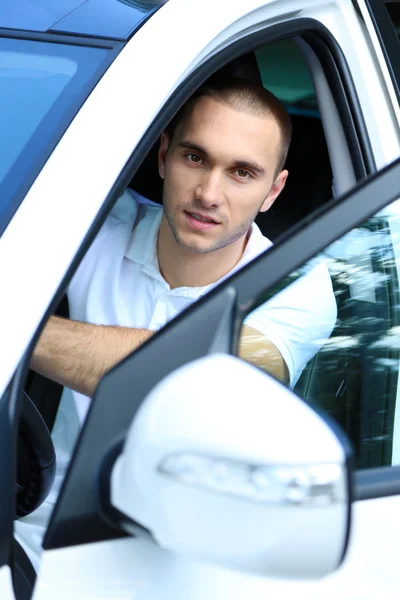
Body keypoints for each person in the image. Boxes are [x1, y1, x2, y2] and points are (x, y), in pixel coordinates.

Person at [15, 77, 337, 570]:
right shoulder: (93, 224)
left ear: (274, 191)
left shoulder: (297, 288)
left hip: (186, 564)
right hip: (30, 532)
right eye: (195, 158)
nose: (209, 193)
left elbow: (190, 377)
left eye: (242, 173)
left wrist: (14, 328)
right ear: (163, 155)